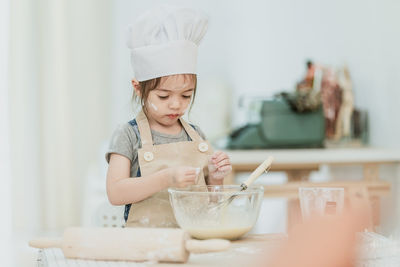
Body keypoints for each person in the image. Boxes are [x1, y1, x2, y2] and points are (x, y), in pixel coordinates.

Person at [105, 6, 232, 228]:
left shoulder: (196, 137)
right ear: (138, 88)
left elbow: (214, 202)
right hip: (145, 245)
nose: (176, 104)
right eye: (164, 96)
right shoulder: (128, 134)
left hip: (194, 240)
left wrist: (216, 177)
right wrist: (165, 178)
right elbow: (115, 193)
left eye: (186, 95)